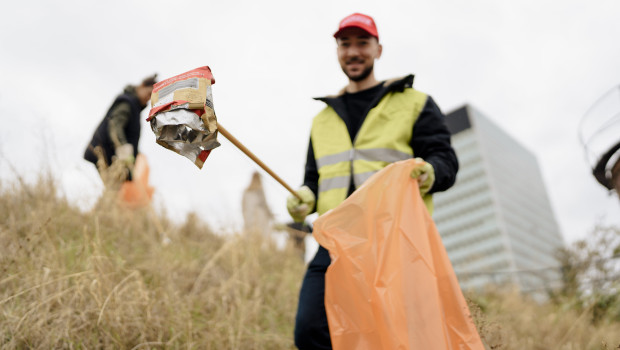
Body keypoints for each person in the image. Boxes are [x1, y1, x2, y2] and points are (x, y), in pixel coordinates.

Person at [286, 13, 459, 350]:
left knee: (398, 337)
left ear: (378, 50)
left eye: (362, 43)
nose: (353, 52)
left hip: (396, 240)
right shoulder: (321, 121)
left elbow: (445, 159)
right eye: (345, 44)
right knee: (310, 331)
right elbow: (313, 181)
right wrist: (304, 198)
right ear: (337, 51)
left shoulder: (415, 103)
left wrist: (431, 171)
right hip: (336, 242)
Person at [84, 74, 157, 186]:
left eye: (150, 98)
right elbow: (115, 126)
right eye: (148, 94)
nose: (147, 99)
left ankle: (106, 203)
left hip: (112, 156)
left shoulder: (134, 108)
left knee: (113, 190)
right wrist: (124, 150)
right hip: (105, 153)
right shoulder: (127, 103)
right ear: (142, 86)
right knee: (113, 189)